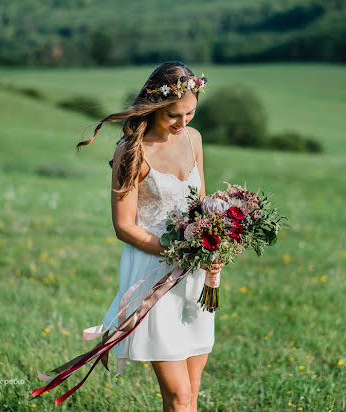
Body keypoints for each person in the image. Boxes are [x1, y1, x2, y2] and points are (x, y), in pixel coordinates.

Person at [76, 61, 224, 412]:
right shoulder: (131, 151)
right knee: (178, 395)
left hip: (195, 274)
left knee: (193, 386)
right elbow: (123, 226)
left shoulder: (194, 139)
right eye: (174, 115)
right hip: (153, 274)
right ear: (155, 105)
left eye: (190, 113)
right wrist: (177, 252)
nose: (183, 123)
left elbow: (201, 203)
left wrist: (217, 241)